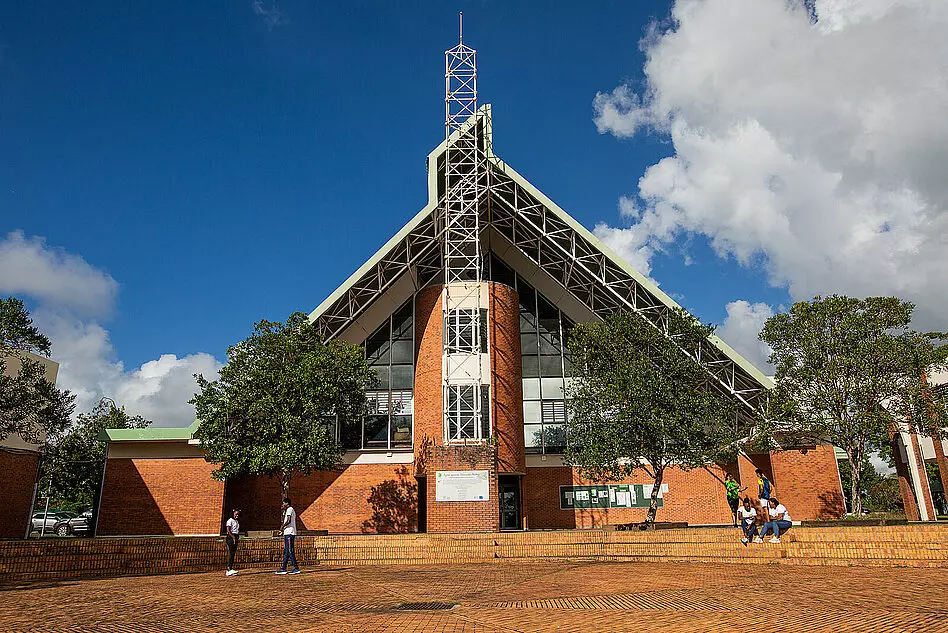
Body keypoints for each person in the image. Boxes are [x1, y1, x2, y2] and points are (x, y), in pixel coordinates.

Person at [276, 497, 300, 575]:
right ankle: (283, 568)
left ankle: (296, 568)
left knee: (290, 551)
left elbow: (288, 520)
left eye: (284, 503)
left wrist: (282, 527)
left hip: (290, 533)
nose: (283, 505)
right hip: (287, 533)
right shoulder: (288, 510)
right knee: (286, 551)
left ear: (287, 503)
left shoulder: (290, 509)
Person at [225, 509, 241, 576]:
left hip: (235, 536)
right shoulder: (230, 520)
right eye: (236, 514)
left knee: (233, 553)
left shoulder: (236, 521)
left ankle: (230, 568)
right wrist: (233, 538)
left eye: (238, 514)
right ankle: (228, 569)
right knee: (231, 553)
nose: (237, 515)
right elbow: (228, 530)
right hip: (231, 537)